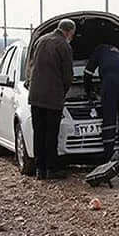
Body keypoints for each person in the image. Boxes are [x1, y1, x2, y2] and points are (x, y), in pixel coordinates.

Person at [24, 18, 75, 180]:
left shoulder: (40, 40)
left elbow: (30, 65)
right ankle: (51, 168)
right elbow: (68, 75)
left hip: (35, 96)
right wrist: (63, 92)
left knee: (39, 133)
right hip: (53, 98)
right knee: (51, 134)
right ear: (69, 32)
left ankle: (40, 170)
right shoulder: (63, 45)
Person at [84, 44, 119, 166]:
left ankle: (108, 157)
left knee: (109, 118)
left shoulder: (98, 51)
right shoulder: (117, 52)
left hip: (110, 82)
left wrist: (88, 92)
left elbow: (88, 72)